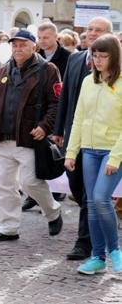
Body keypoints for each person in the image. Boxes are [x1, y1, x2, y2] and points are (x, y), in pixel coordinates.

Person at [0, 29, 63, 241]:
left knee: (30, 182)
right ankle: (8, 228)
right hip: (3, 136)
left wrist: (45, 126)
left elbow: (56, 103)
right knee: (5, 185)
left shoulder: (47, 69)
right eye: (15, 45)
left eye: (23, 45)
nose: (18, 49)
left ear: (34, 47)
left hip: (29, 137)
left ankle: (53, 212)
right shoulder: (6, 68)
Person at [53, 16, 113, 261]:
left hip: (101, 142)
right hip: (74, 136)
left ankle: (84, 244)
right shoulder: (76, 59)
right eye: (89, 29)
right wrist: (58, 129)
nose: (92, 33)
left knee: (91, 194)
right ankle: (96, 225)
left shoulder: (116, 66)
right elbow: (66, 97)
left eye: (98, 30)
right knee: (77, 187)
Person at [65, 34, 122, 275]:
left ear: (114, 57)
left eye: (103, 56)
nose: (97, 60)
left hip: (112, 150)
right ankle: (98, 257)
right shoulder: (88, 82)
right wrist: (71, 152)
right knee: (90, 203)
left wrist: (115, 157)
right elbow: (79, 118)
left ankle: (115, 251)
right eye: (94, 56)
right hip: (88, 150)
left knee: (100, 199)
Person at [21, 21, 72, 210]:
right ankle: (35, 195)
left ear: (55, 37)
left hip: (57, 109)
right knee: (35, 155)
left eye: (46, 38)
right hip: (35, 113)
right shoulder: (35, 57)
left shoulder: (68, 58)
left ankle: (58, 188)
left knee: (55, 152)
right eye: (40, 38)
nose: (42, 41)